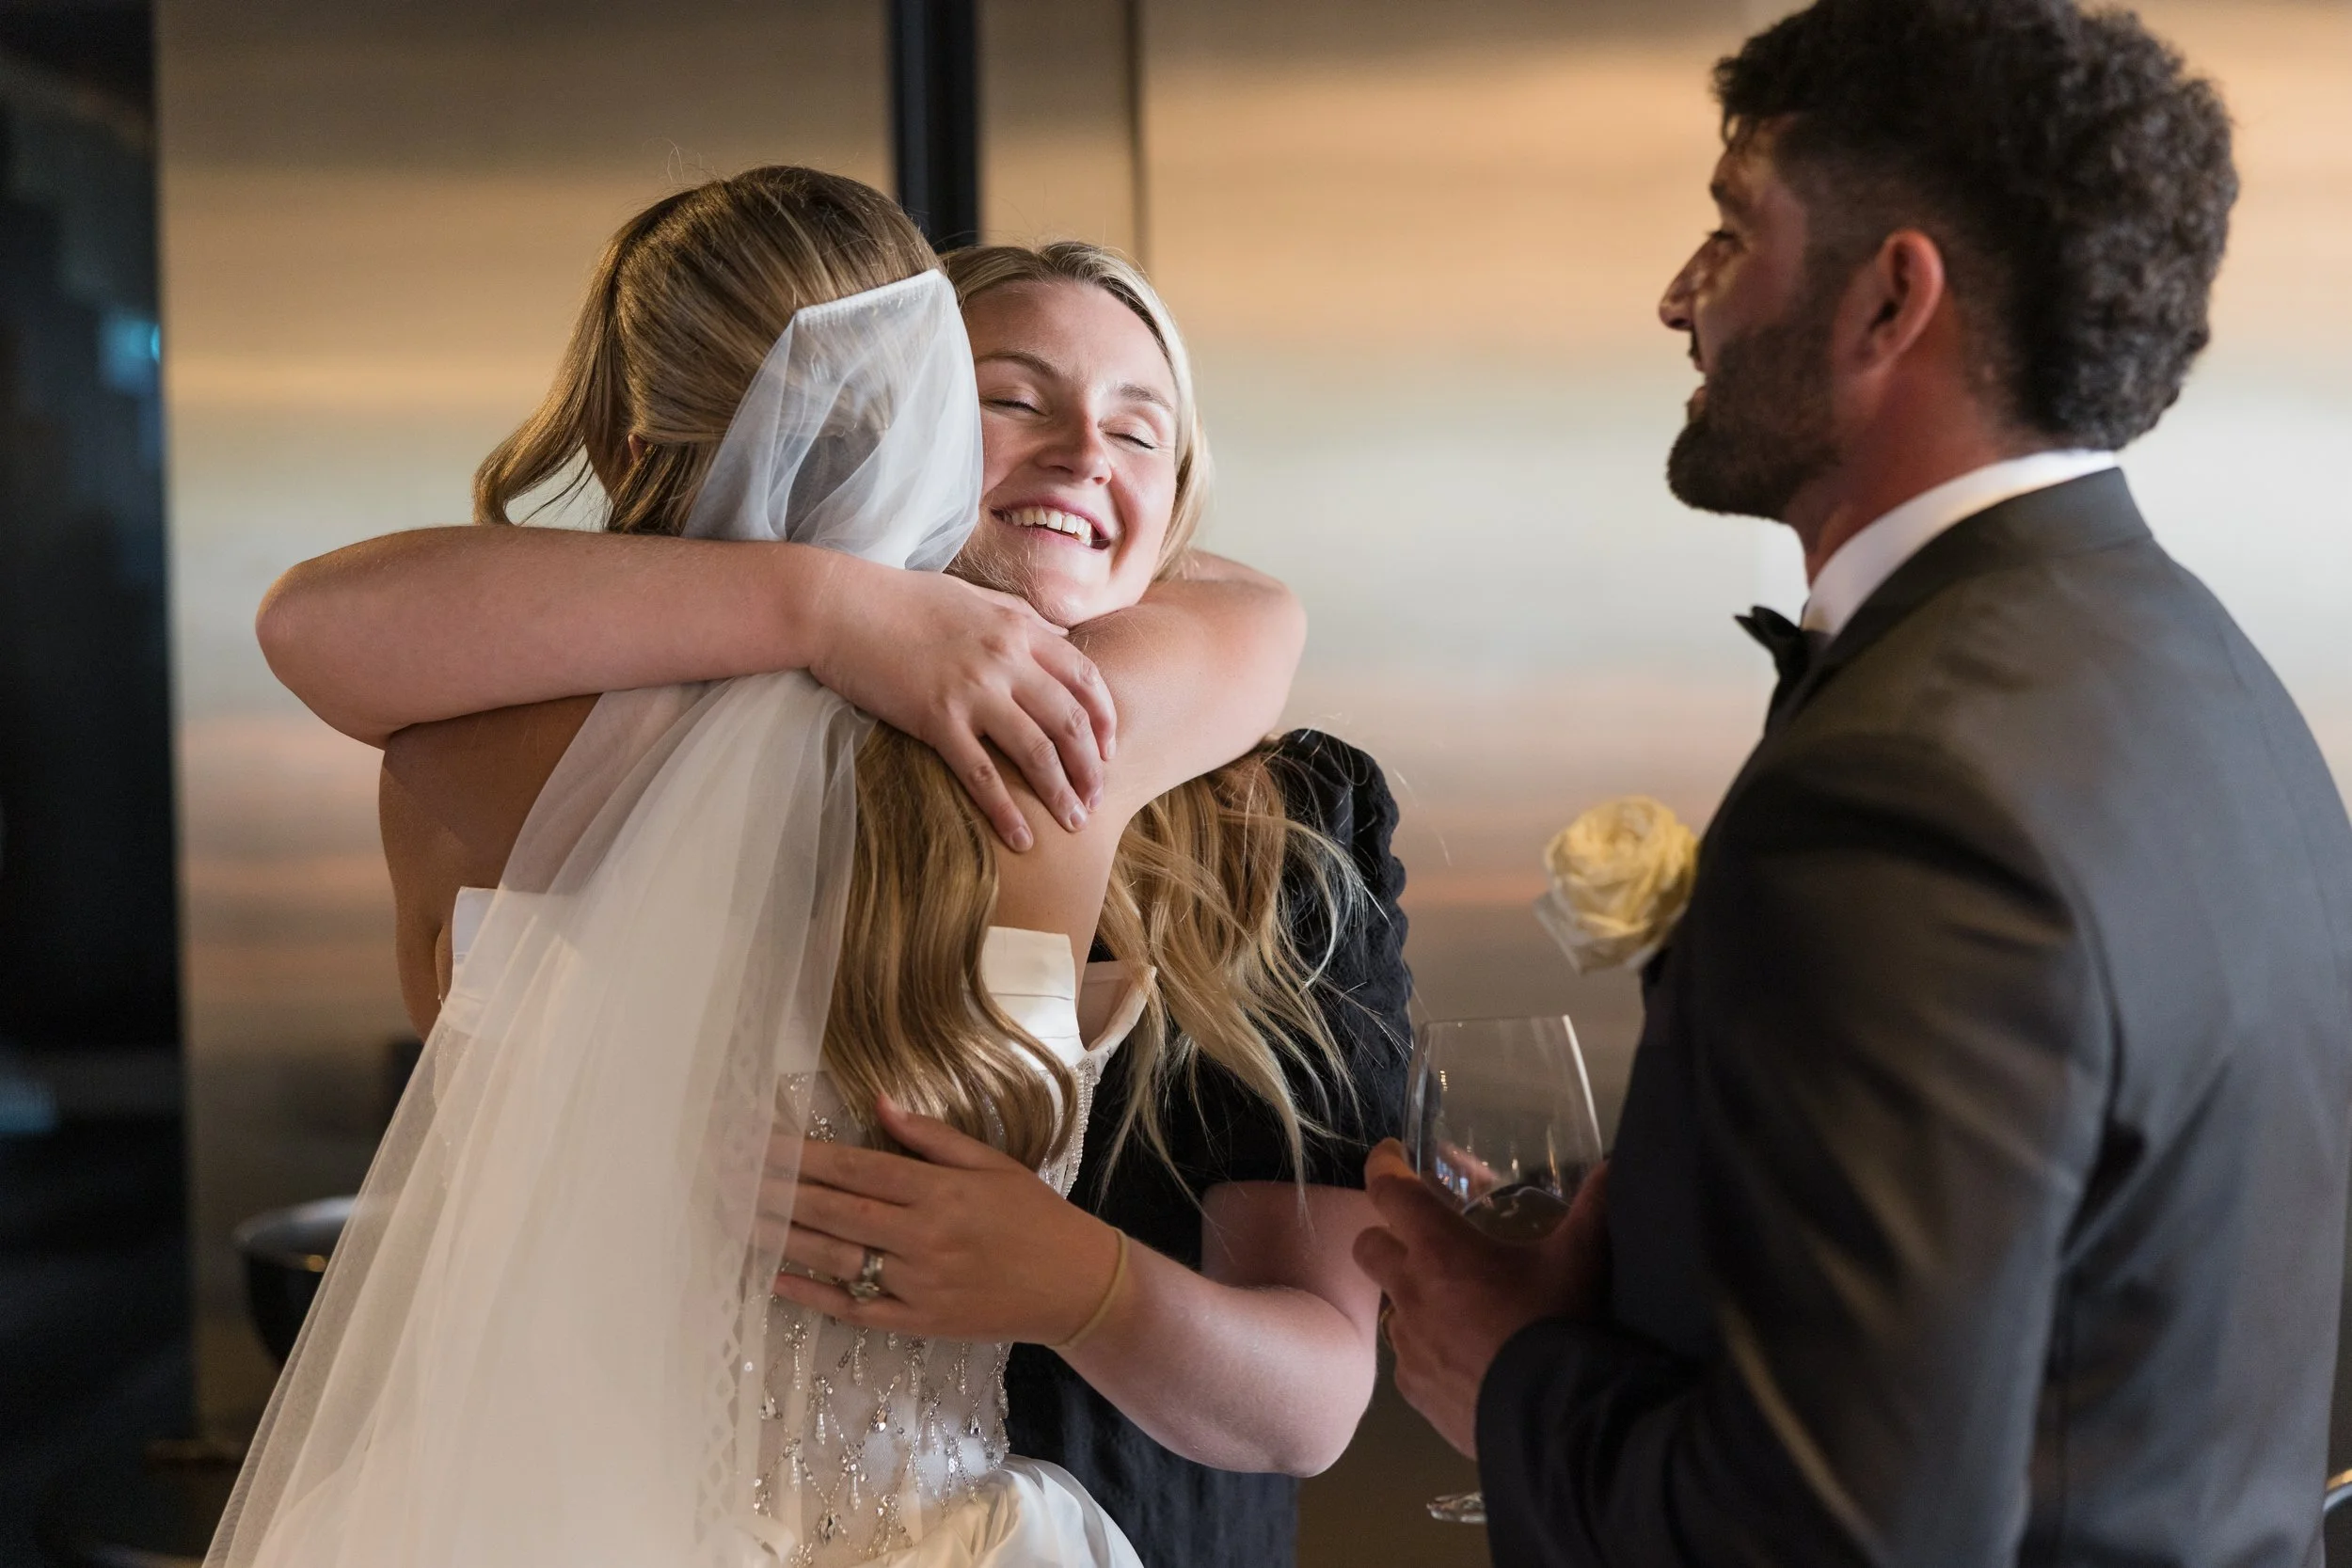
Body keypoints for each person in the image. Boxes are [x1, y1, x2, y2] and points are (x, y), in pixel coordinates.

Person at [249, 218, 1408, 1564]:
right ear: (881, 420)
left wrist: (1084, 1284)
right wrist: (835, 611)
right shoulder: (1039, 783)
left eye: (1143, 430)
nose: (1086, 452)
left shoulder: (1280, 819)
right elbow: (1255, 609)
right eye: (1008, 401)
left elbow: (1315, 1400)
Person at [1356, 2, 2352, 1564]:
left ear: (1892, 298)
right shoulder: (2213, 681)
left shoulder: (1901, 787)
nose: (1679, 297)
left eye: (1731, 231)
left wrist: (1514, 1375)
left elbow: (1836, 1531)